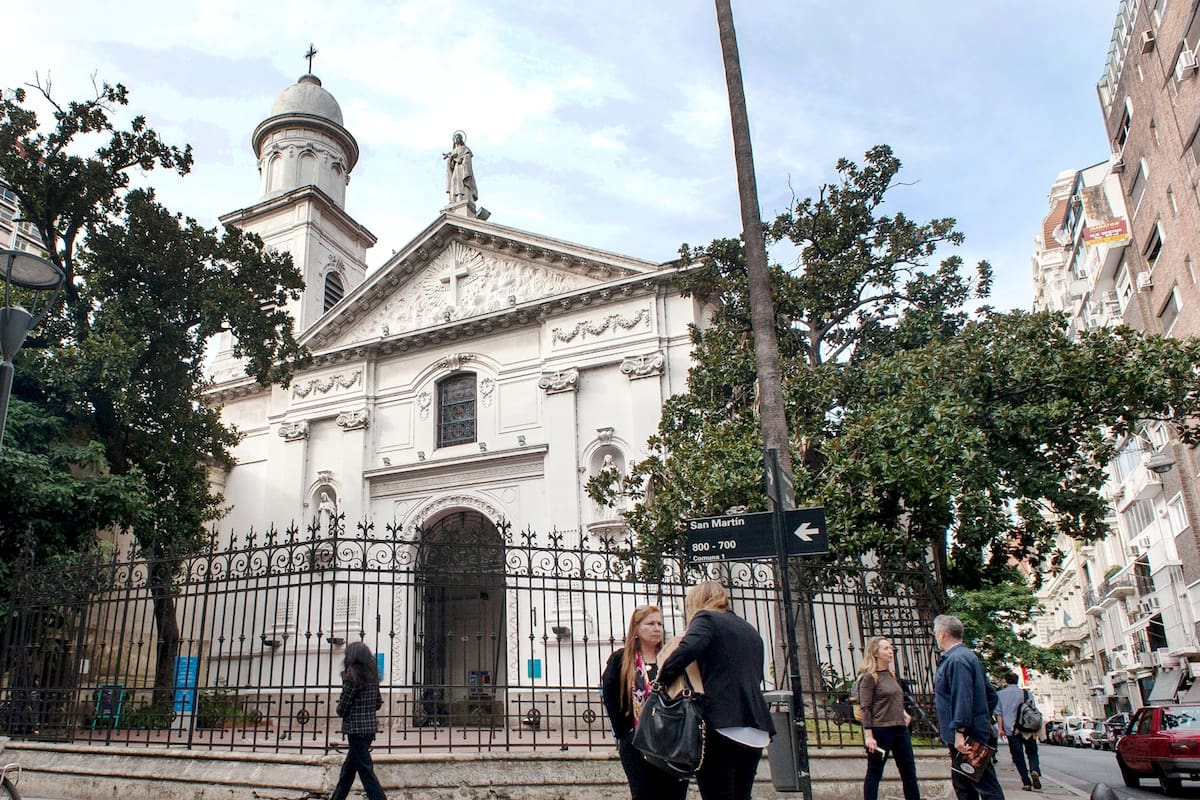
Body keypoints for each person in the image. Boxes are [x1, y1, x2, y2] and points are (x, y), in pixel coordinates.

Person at [658, 581, 774, 800]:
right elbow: (756, 674)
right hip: (755, 727)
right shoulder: (748, 629)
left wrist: (663, 678)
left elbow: (688, 649)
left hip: (721, 722)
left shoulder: (706, 618)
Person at [601, 605, 689, 800]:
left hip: (672, 744)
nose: (657, 628)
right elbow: (610, 696)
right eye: (650, 623)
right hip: (637, 744)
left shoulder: (671, 658)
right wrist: (626, 734)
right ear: (637, 629)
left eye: (659, 624)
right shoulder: (621, 660)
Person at [933, 614, 1005, 800]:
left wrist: (960, 730)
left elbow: (962, 697)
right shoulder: (967, 657)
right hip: (972, 732)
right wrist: (980, 717)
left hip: (966, 737)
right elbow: (990, 695)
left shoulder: (956, 660)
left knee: (985, 786)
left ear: (942, 634)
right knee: (964, 784)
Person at [858, 637, 921, 800]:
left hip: (900, 729)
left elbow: (895, 698)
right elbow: (866, 707)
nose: (890, 651)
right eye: (886, 648)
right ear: (876, 653)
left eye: (891, 648)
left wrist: (903, 713)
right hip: (881, 730)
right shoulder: (869, 677)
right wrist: (869, 735)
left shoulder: (892, 675)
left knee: (909, 773)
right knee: (875, 773)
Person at [331, 642, 387, 800]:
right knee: (348, 769)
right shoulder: (373, 676)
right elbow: (377, 703)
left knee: (365, 771)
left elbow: (342, 708)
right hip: (369, 729)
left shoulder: (352, 676)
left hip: (355, 730)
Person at [996, 672, 1041, 791]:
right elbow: (1033, 709)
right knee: (1032, 752)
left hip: (1011, 730)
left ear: (1006, 681)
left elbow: (999, 713)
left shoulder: (1000, 695)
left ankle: (1026, 782)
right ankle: (1034, 769)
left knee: (1018, 757)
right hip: (1027, 728)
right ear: (1017, 680)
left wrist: (1000, 729)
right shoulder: (1026, 693)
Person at [444, 131, 477, 208]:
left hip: (462, 170)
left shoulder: (465, 149)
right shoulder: (453, 151)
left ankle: (462, 198)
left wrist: (462, 160)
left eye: (458, 138)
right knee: (454, 185)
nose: (457, 139)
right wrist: (451, 159)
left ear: (461, 139)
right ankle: (455, 199)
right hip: (455, 170)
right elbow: (450, 166)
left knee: (462, 184)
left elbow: (467, 157)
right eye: (455, 138)